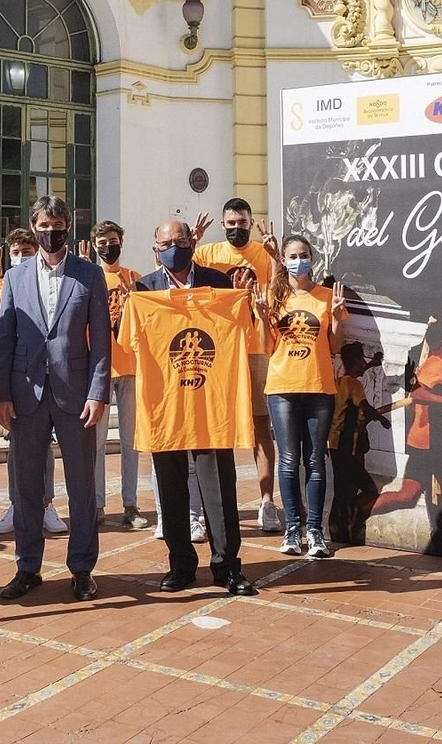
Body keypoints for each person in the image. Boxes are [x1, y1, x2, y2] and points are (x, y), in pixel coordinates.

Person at [0, 195, 109, 602]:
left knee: (81, 483)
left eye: (58, 223)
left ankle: (81, 568)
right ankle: (27, 566)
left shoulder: (90, 275)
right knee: (25, 485)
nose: (51, 230)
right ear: (34, 224)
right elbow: (4, 338)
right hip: (26, 394)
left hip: (74, 394)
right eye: (44, 223)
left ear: (68, 228)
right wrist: (0, 394)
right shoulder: (16, 275)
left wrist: (98, 392)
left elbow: (101, 342)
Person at [133, 219, 258, 596]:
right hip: (166, 406)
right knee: (170, 490)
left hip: (211, 405)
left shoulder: (219, 284)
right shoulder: (144, 290)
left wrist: (244, 301)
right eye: (166, 241)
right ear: (156, 248)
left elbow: (243, 329)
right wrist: (126, 306)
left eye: (180, 240)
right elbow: (129, 340)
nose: (174, 246)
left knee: (219, 487)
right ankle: (180, 565)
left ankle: (227, 566)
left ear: (192, 242)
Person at [194, 197, 282, 533]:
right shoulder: (208, 253)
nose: (236, 228)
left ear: (250, 221)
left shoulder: (262, 253)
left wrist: (275, 259)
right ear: (222, 224)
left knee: (261, 425)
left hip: (256, 346)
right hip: (220, 350)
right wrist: (194, 241)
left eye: (241, 222)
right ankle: (210, 506)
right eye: (230, 223)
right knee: (217, 427)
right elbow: (180, 272)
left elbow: (278, 290)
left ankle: (266, 502)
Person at [257, 234, 347, 558]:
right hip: (282, 388)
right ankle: (292, 530)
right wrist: (261, 315)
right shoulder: (273, 295)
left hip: (319, 387)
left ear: (312, 257)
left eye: (304, 254)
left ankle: (315, 531)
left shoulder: (325, 296)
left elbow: (335, 346)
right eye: (292, 255)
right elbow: (267, 347)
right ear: (283, 259)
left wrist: (336, 318)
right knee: (288, 460)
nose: (299, 260)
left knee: (315, 460)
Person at [371, 320, 442, 557]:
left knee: (407, 497)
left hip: (427, 443)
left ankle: (357, 509)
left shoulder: (440, 367)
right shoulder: (435, 364)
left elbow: (429, 397)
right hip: (434, 443)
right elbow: (417, 393)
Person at [0, 227, 60, 538]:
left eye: (26, 252)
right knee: (16, 449)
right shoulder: (11, 282)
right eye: (15, 253)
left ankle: (47, 505)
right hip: (21, 380)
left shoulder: (50, 280)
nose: (20, 257)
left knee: (46, 449)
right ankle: (16, 503)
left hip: (51, 376)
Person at [84, 221, 150, 529]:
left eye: (112, 240)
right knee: (95, 442)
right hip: (98, 368)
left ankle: (130, 503)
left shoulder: (134, 279)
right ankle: (96, 504)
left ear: (121, 242)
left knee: (130, 440)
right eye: (102, 241)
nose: (108, 246)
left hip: (130, 367)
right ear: (94, 244)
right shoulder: (88, 275)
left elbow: (147, 322)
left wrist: (132, 300)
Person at [328, 342, 388, 547]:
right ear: (355, 360)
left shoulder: (339, 382)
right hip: (347, 448)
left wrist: (373, 363)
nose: (365, 363)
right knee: (366, 489)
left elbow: (358, 370)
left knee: (342, 488)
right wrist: (382, 420)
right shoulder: (354, 385)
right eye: (362, 359)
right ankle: (347, 522)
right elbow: (365, 407)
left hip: (334, 446)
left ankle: (338, 529)